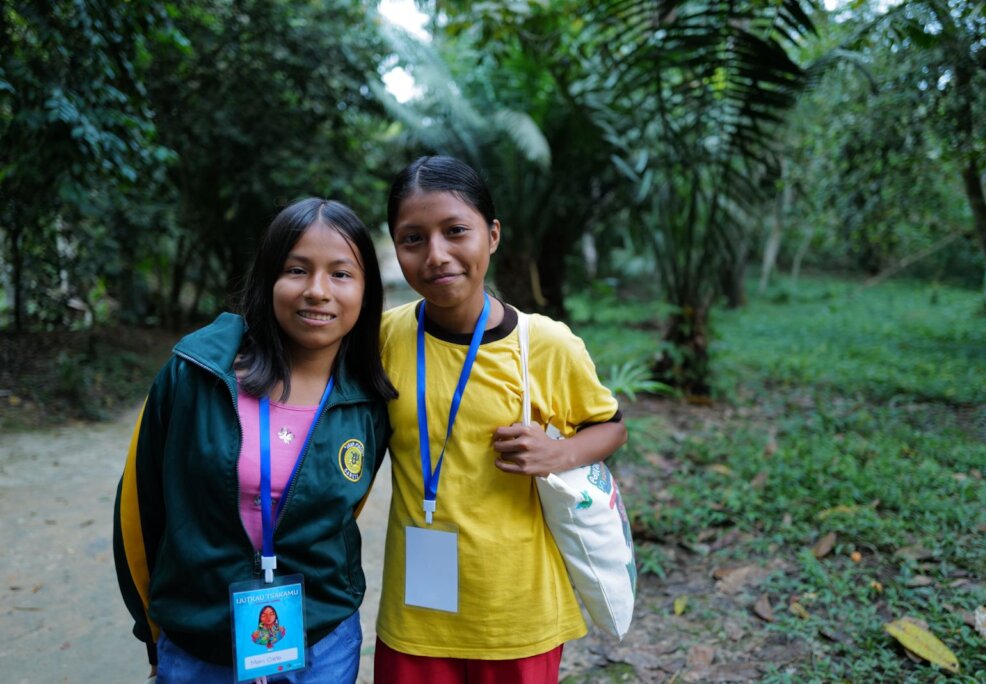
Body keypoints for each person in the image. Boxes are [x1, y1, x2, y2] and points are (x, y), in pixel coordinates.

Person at [113, 198, 395, 683]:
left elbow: (342, 512)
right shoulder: (196, 373)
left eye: (341, 274)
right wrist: (153, 627)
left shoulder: (369, 398)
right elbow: (138, 511)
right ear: (267, 279)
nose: (317, 291)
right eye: (296, 269)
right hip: (199, 642)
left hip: (322, 642)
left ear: (367, 291)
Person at [375, 156, 628, 682]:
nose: (437, 254)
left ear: (492, 235)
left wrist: (559, 453)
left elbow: (611, 425)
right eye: (413, 238)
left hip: (518, 612)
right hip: (415, 615)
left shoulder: (546, 344)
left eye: (456, 231)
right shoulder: (384, 337)